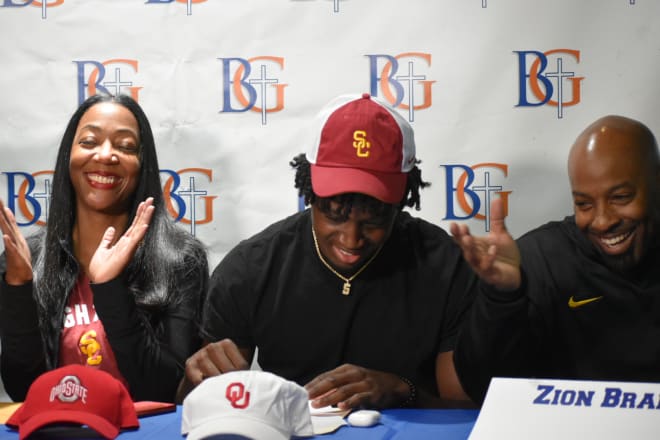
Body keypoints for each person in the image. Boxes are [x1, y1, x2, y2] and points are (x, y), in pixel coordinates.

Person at [177, 93, 477, 409]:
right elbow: (197, 407)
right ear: (309, 191)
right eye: (335, 214)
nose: (351, 239)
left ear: (403, 197)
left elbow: (463, 415)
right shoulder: (252, 267)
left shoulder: (445, 266)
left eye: (374, 219)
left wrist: (404, 392)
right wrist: (193, 380)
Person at [0, 94, 209, 403]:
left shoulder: (180, 259)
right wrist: (18, 288)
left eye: (125, 146)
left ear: (142, 165)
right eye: (89, 142)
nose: (105, 155)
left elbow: (168, 390)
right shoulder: (29, 260)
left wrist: (110, 289)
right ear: (68, 156)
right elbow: (23, 390)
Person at [451, 115, 660, 404]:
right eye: (584, 204)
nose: (601, 221)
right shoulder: (539, 260)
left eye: (620, 197)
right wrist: (501, 297)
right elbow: (481, 387)